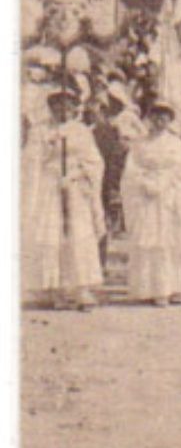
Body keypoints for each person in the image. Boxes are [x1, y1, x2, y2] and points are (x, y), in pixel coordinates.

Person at [22, 90, 105, 310]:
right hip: (50, 186)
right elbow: (30, 161)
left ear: (74, 108)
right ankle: (57, 288)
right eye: (58, 106)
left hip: (75, 187)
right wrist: (48, 147)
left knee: (78, 234)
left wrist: (77, 174)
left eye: (68, 106)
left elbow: (95, 161)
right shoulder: (40, 130)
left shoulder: (81, 132)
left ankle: (81, 289)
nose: (63, 111)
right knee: (53, 234)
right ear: (51, 107)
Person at [121, 103, 181, 305]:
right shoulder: (140, 144)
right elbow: (131, 169)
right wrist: (143, 182)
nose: (159, 122)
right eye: (155, 117)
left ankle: (172, 288)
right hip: (146, 197)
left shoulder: (176, 144)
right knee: (149, 240)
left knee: (169, 241)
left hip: (168, 197)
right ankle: (149, 289)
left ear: (169, 121)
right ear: (149, 119)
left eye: (164, 118)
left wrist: (165, 183)